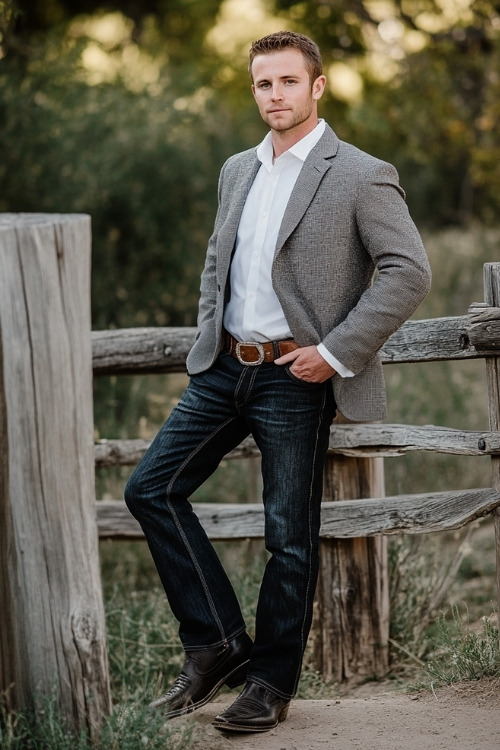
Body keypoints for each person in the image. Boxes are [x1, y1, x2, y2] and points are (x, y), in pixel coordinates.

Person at [124, 30, 431, 734]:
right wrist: (210, 337)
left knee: (289, 537)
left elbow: (409, 271)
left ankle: (270, 682)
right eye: (264, 83)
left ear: (317, 86)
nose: (275, 96)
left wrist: (336, 351)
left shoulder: (359, 172)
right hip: (225, 368)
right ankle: (216, 642)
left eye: (289, 82)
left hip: (298, 375)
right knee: (149, 488)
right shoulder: (239, 169)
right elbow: (217, 260)